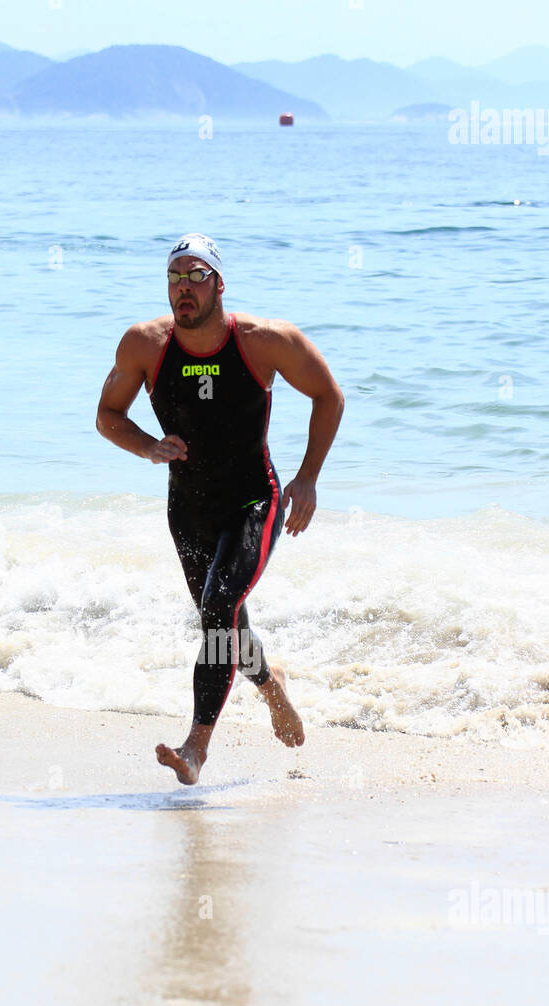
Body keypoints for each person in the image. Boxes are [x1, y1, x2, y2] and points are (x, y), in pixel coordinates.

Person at [96, 232, 344, 785]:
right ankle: (270, 685)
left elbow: (329, 396)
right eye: (174, 277)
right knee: (222, 618)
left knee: (220, 602)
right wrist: (147, 446)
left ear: (219, 283)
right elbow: (108, 415)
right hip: (188, 508)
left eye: (196, 276)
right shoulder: (144, 345)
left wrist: (307, 480)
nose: (183, 288)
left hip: (255, 499)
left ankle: (196, 747)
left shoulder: (264, 342)